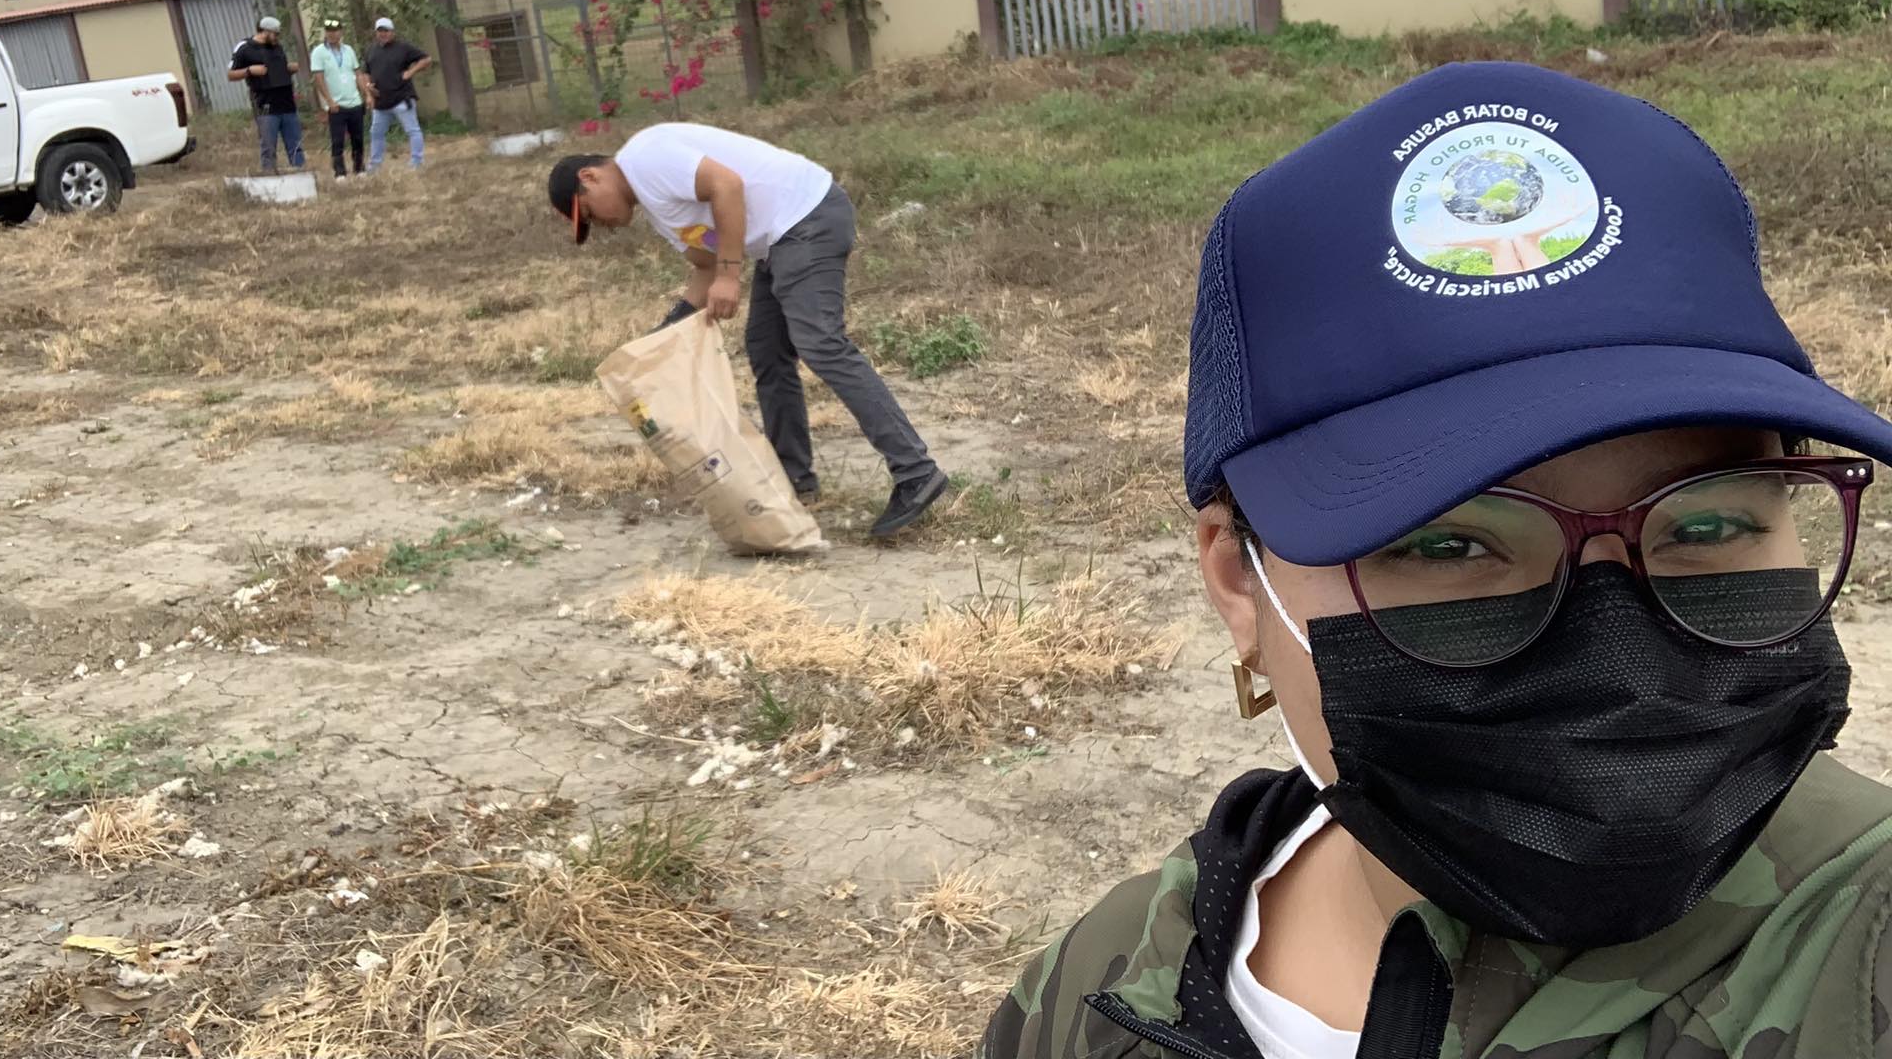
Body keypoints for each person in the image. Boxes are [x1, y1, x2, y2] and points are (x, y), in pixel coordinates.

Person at [984, 61, 1892, 1058]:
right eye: (1448, 544)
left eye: (1708, 526)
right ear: (1240, 583)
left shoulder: (1862, 946)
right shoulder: (1092, 993)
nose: (1620, 663)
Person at [548, 125, 949, 537]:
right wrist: (663, 336)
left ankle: (915, 470)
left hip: (806, 218)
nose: (603, 225)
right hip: (780, 241)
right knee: (766, 349)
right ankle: (794, 480)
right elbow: (705, 265)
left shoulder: (644, 159)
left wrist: (730, 276)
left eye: (590, 213)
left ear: (590, 177)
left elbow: (727, 185)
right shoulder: (657, 210)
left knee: (821, 343)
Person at [227, 16, 305, 174]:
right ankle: (269, 175)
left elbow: (276, 69)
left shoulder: (277, 47)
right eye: (275, 34)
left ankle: (301, 174)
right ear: (265, 32)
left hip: (287, 103)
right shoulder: (245, 48)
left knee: (295, 145)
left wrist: (288, 68)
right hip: (265, 105)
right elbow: (230, 74)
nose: (277, 38)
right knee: (269, 147)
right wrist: (249, 70)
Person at [360, 17, 430, 172]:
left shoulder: (403, 48)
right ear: (376, 33)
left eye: (386, 31)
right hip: (381, 101)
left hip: (402, 98)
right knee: (376, 133)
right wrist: (368, 89)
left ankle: (417, 162)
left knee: (412, 130)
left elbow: (426, 59)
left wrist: (410, 72)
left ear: (392, 32)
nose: (383, 34)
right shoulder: (371, 50)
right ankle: (375, 165)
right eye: (380, 31)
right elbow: (365, 73)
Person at [309, 19, 365, 181]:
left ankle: (359, 168)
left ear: (341, 32)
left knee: (358, 138)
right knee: (338, 139)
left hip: (354, 101)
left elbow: (358, 73)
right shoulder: (319, 52)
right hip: (336, 104)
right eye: (329, 31)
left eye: (335, 31)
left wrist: (366, 94)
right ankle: (340, 172)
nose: (332, 34)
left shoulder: (348, 50)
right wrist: (329, 101)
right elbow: (319, 78)